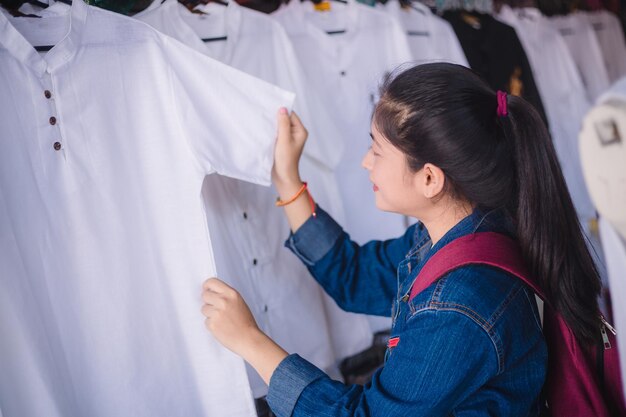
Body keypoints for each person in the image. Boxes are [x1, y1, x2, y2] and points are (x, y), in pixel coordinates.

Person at [199, 63, 602, 416]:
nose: (364, 162)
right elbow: (354, 277)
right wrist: (288, 179)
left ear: (429, 178)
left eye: (376, 151)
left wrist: (251, 343)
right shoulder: (454, 237)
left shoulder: (462, 301)